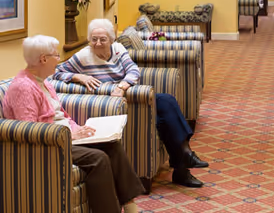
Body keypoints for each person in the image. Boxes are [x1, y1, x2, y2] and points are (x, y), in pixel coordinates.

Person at [53, 19, 208, 188]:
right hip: (116, 104)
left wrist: (122, 86)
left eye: (102, 39)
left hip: (131, 95)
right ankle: (184, 162)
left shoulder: (118, 49)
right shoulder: (83, 56)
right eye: (94, 39)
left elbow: (133, 70)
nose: (97, 43)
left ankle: (183, 161)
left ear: (111, 40)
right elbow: (57, 71)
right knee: (163, 111)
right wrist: (78, 76)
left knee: (166, 104)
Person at [2, 35, 144, 213]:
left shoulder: (44, 82)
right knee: (99, 159)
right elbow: (30, 130)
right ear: (43, 59)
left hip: (67, 136)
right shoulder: (23, 87)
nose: (59, 60)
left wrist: (78, 129)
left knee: (112, 146)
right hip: (51, 144)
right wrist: (70, 135)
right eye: (56, 56)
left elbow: (60, 115)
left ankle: (131, 207)